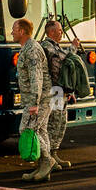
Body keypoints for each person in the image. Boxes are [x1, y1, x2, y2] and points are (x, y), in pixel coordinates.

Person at [12, 18, 55, 181]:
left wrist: (34, 104)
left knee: (27, 130)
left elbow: (36, 78)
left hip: (39, 99)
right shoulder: (28, 48)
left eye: (14, 29)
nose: (12, 32)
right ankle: (43, 169)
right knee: (41, 130)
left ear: (22, 31)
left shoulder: (32, 50)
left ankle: (47, 162)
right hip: (41, 98)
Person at [41, 19, 79, 172]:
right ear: (51, 32)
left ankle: (54, 153)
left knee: (60, 123)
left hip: (59, 91)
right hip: (53, 91)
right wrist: (73, 48)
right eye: (59, 30)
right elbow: (61, 61)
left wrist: (68, 91)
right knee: (52, 123)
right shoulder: (47, 46)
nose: (61, 33)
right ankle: (48, 157)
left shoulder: (55, 46)